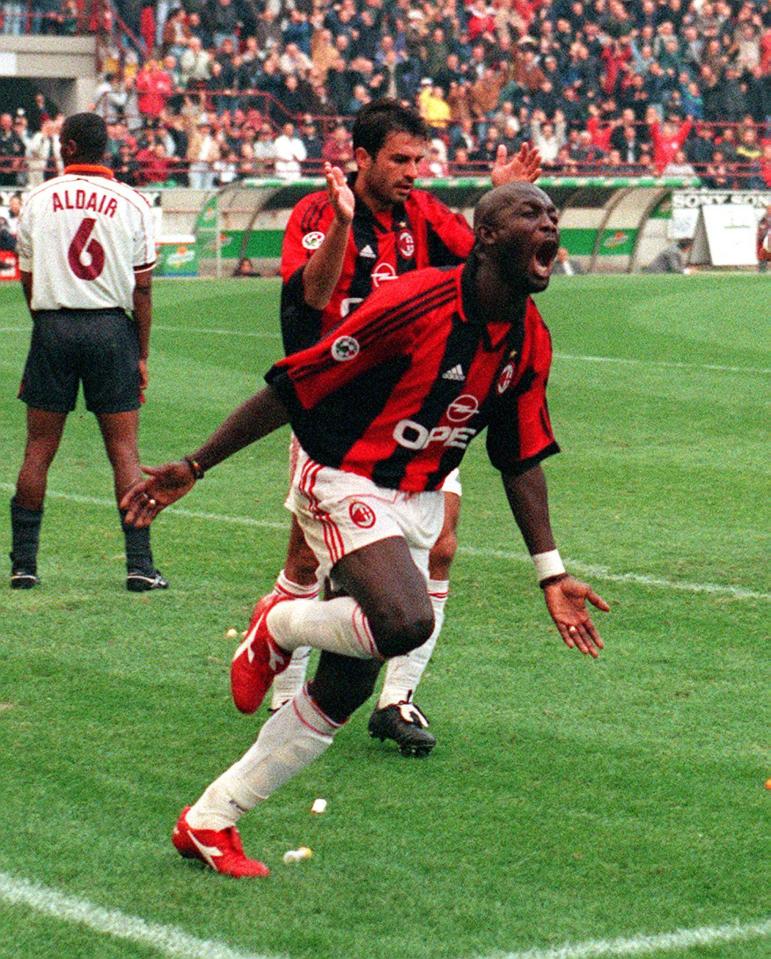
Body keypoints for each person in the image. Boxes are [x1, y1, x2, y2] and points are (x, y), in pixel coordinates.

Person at [121, 181, 609, 878]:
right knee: (407, 620)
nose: (548, 223)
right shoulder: (416, 302)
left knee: (344, 689)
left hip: (416, 498)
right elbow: (296, 385)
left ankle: (209, 819)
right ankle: (281, 623)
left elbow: (520, 457)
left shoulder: (528, 340)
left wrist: (551, 571)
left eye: (552, 215)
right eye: (529, 212)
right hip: (342, 474)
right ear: (490, 236)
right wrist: (197, 463)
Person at [268, 98, 541, 757]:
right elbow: (308, 298)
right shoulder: (315, 212)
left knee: (441, 548)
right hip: (338, 413)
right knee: (311, 558)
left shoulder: (425, 215)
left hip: (426, 407)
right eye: (399, 160)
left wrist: (501, 199)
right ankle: (284, 681)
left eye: (421, 160)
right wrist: (339, 226)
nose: (413, 172)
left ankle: (396, 697)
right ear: (361, 159)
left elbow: (483, 258)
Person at [9, 112, 167, 592]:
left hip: (53, 325)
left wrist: (47, 329)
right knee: (124, 451)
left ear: (71, 148)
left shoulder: (37, 200)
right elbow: (142, 290)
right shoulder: (133, 202)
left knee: (38, 449)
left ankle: (24, 565)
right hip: (110, 330)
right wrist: (140, 354)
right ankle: (139, 565)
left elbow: (28, 278)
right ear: (106, 150)